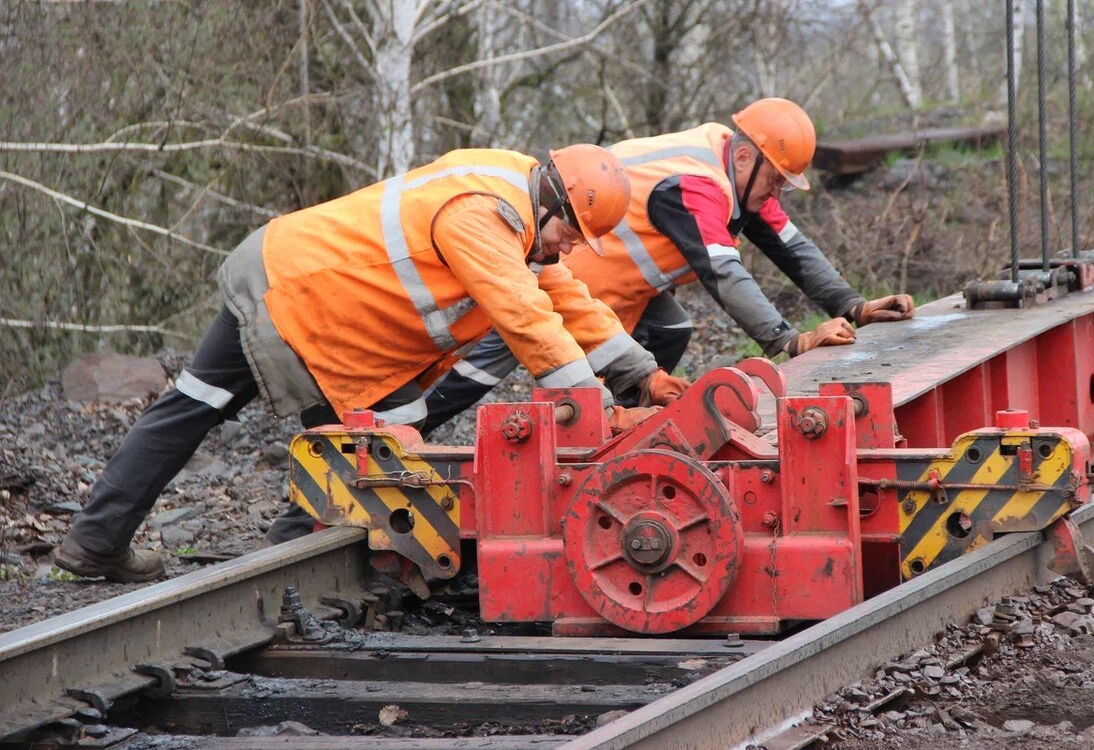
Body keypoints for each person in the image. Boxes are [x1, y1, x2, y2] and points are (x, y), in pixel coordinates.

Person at [54, 144, 688, 583]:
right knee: (229, 412)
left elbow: (562, 294)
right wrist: (589, 404)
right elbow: (526, 317)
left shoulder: (515, 196)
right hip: (296, 294)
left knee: (358, 428)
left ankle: (267, 552)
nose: (570, 249)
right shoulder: (483, 215)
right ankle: (259, 556)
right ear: (554, 204)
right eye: (571, 234)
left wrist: (641, 374)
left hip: (321, 301)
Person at [421, 98, 914, 435]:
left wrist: (854, 305)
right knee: (487, 361)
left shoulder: (736, 168)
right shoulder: (696, 183)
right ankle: (408, 431)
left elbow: (791, 243)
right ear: (745, 157)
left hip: (625, 284)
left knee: (672, 330)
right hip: (566, 270)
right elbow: (723, 271)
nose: (778, 191)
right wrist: (788, 341)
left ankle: (623, 436)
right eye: (778, 180)